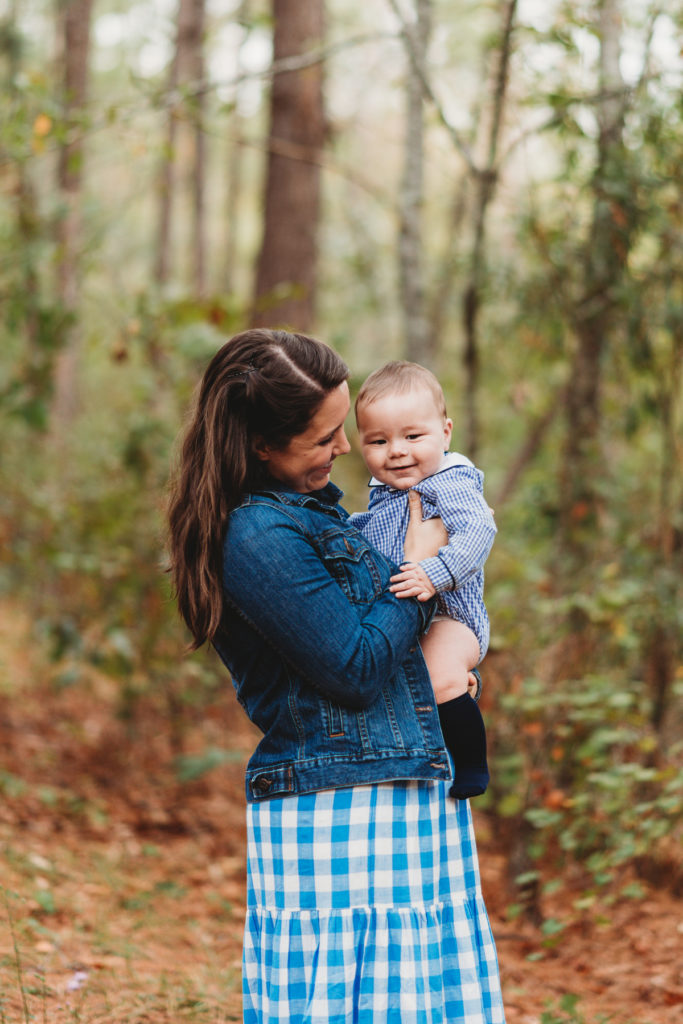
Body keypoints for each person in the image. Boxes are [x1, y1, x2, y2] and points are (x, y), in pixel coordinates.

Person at [167, 328, 506, 1024]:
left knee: (412, 999)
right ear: (262, 445)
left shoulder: (314, 510)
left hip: (393, 778)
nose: (347, 448)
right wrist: (414, 570)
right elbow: (352, 667)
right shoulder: (257, 536)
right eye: (326, 436)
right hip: (338, 798)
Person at [350, 361, 497, 800]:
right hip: (415, 619)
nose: (395, 450)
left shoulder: (449, 481)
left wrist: (437, 573)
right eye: (378, 441)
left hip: (454, 617)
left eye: (413, 436)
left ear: (445, 432)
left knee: (438, 678)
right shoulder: (384, 495)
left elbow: (479, 531)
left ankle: (471, 765)